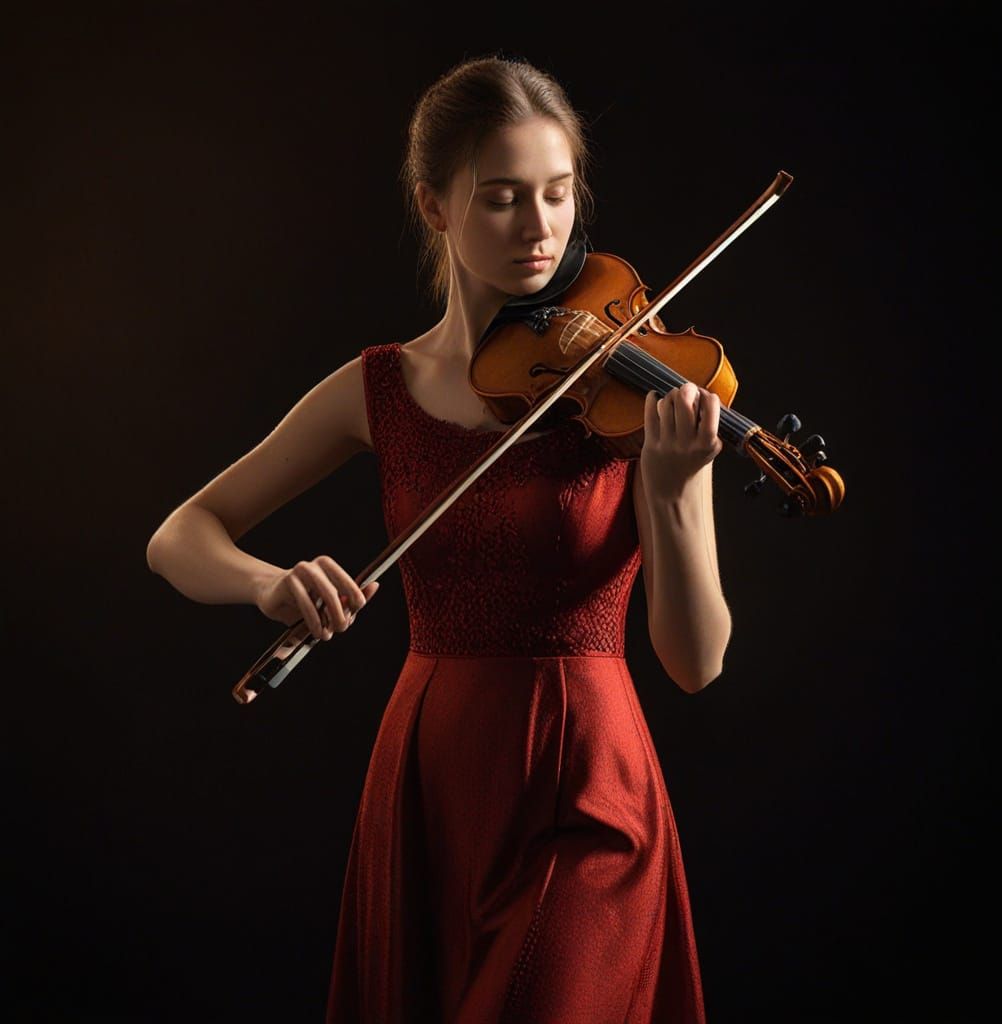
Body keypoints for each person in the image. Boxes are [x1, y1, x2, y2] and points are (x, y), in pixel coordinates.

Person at [146, 52, 731, 1024]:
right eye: (502, 198)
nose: (540, 228)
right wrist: (265, 583)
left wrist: (671, 493)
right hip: (433, 777)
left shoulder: (641, 391)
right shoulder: (379, 388)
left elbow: (696, 660)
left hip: (589, 783)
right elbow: (181, 534)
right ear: (435, 206)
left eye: (557, 194)